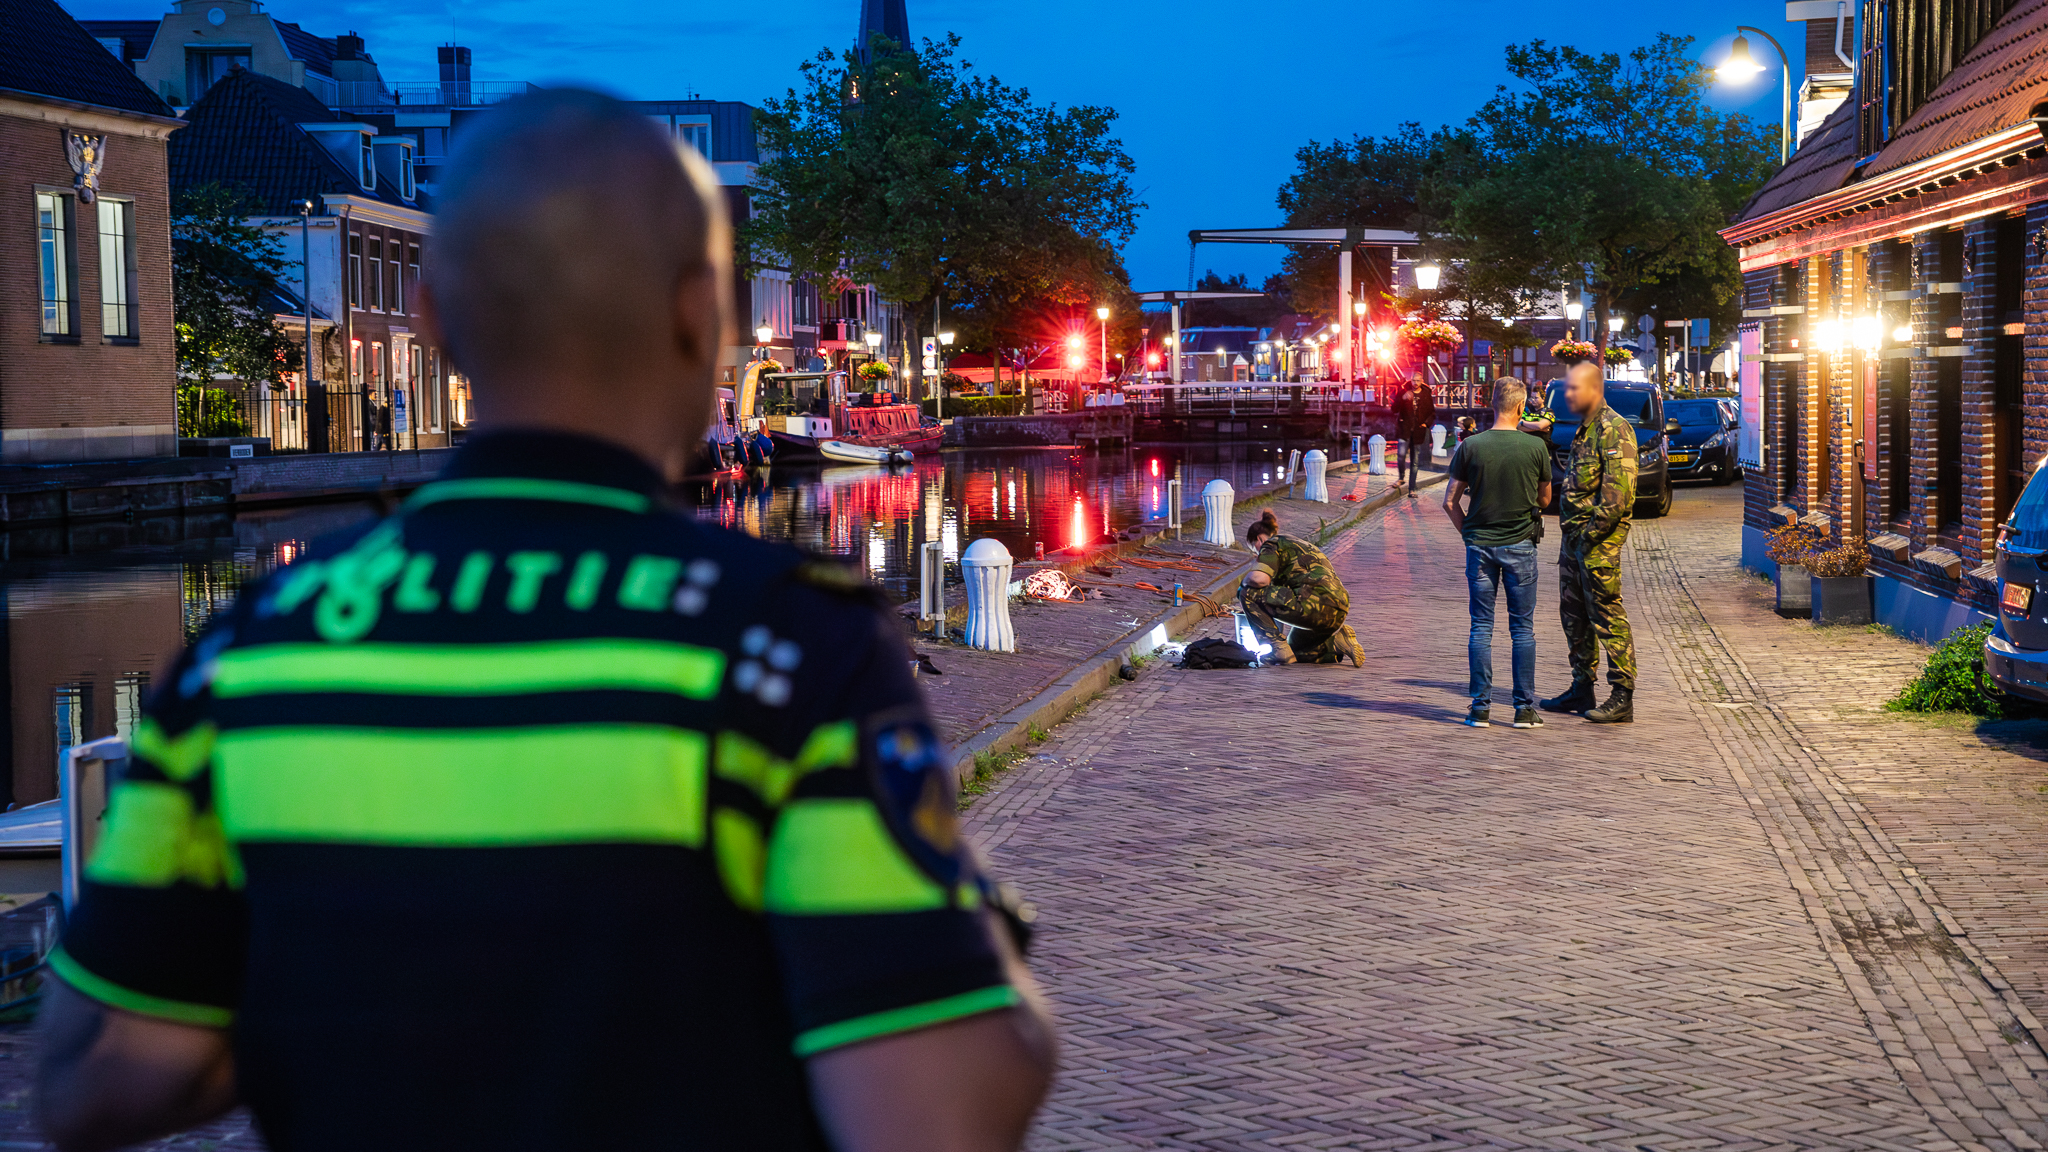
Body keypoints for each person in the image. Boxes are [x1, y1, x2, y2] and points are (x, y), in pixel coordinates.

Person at [38, 90, 1056, 1152]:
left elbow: (92, 1080)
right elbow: (940, 1114)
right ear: (696, 312)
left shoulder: (249, 659)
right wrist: (986, 938)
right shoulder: (777, 652)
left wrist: (352, 964)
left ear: (432, 314)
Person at [1443, 381, 1553, 730]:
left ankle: (1480, 707)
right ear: (1521, 407)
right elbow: (1545, 500)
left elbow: (1450, 501)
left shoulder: (1470, 446)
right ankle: (1523, 708)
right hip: (1520, 544)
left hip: (1480, 546)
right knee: (1522, 628)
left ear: (1492, 405)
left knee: (1481, 627)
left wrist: (1470, 534)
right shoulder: (1535, 448)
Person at [1538, 362, 1638, 724]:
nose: (1568, 395)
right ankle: (1582, 686)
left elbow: (1617, 499)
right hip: (1575, 541)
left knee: (1607, 615)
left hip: (1598, 543)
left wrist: (1588, 537)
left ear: (1594, 390)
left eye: (1574, 389)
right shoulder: (1584, 430)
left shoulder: (1615, 430)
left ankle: (1621, 695)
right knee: (1574, 615)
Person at [1240, 510, 1366, 667]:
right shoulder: (1300, 544)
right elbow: (1281, 597)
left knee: (1247, 591)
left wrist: (1244, 581)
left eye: (1254, 549)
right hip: (1338, 610)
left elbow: (1259, 579)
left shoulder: (1271, 544)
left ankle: (1277, 649)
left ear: (1258, 539)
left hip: (1313, 606)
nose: (1257, 554)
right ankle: (1337, 643)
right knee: (1296, 652)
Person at [1392, 379, 1436, 496]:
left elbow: (1432, 412)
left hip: (1417, 431)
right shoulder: (1403, 392)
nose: (1415, 383)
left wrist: (1426, 424)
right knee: (1401, 455)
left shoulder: (1426, 395)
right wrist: (1402, 399)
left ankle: (1412, 489)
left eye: (1418, 380)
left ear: (1422, 381)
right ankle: (1401, 477)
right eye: (1414, 380)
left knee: (1414, 461)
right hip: (1404, 430)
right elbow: (1394, 409)